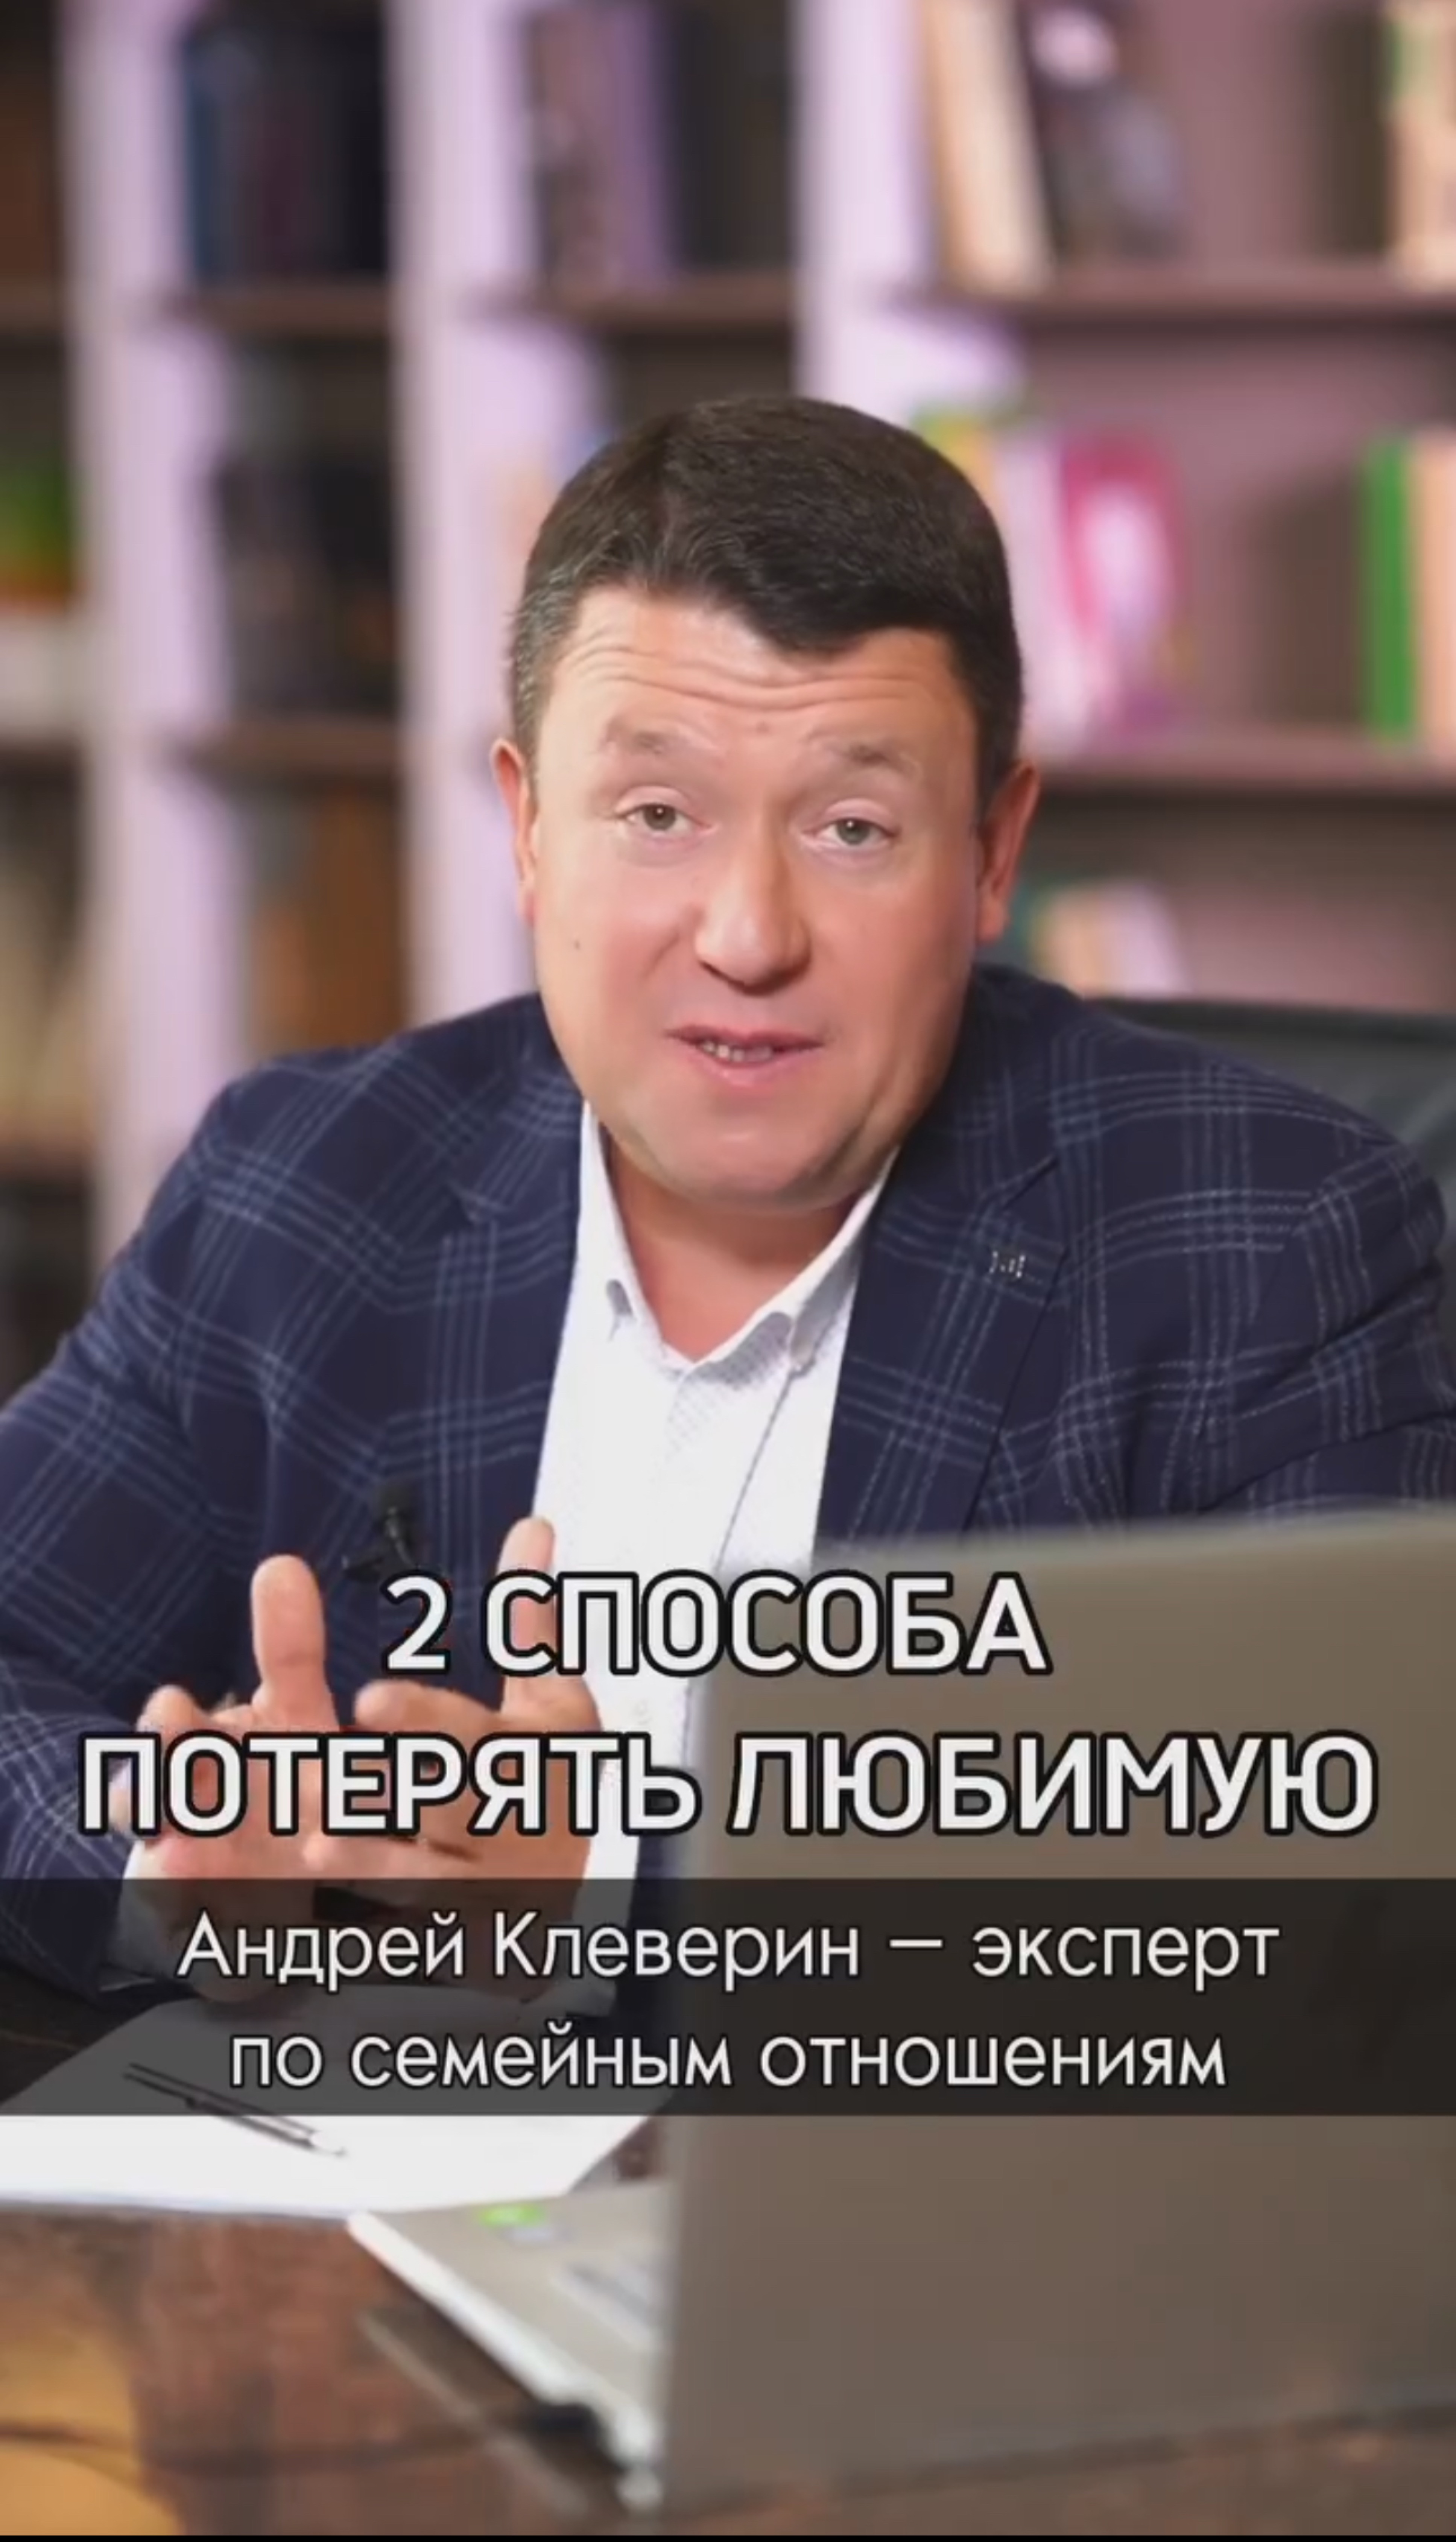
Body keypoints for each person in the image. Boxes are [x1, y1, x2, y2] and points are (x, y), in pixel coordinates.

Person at [3, 393, 1455, 2001]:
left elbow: (1350, 1880)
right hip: (331, 2137)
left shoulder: (1272, 1240)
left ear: (991, 852)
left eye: (853, 827)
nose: (749, 935)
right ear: (526, 828)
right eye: (656, 815)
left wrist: (619, 1892)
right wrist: (164, 1867)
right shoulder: (302, 1187)